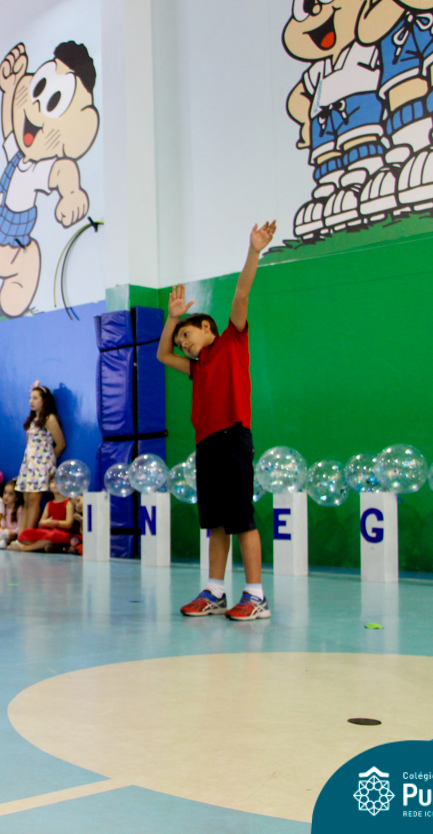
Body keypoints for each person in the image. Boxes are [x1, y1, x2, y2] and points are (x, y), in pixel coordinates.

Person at [159, 221, 276, 622]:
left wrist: (254, 250)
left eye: (187, 335)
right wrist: (172, 320)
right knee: (216, 524)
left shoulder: (232, 341)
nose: (183, 344)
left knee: (241, 518)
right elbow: (162, 355)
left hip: (233, 438)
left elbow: (241, 294)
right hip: (206, 445)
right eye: (181, 341)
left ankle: (256, 596)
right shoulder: (197, 367)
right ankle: (214, 591)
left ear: (207, 327)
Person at [17, 384, 65, 531]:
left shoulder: (49, 419)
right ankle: (21, 536)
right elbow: (29, 444)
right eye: (30, 398)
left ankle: (28, 535)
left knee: (34, 500)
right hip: (29, 465)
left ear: (44, 400)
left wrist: (48, 462)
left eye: (35, 398)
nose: (31, 401)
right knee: (26, 500)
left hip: (41, 465)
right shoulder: (32, 421)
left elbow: (61, 444)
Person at [9, 476, 80, 552]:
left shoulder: (68, 503)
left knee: (53, 535)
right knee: (25, 533)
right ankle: (47, 546)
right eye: (52, 482)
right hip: (49, 533)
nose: (54, 484)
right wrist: (45, 523)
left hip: (63, 534)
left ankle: (26, 548)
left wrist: (53, 523)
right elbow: (41, 523)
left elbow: (69, 524)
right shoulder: (49, 504)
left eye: (57, 481)